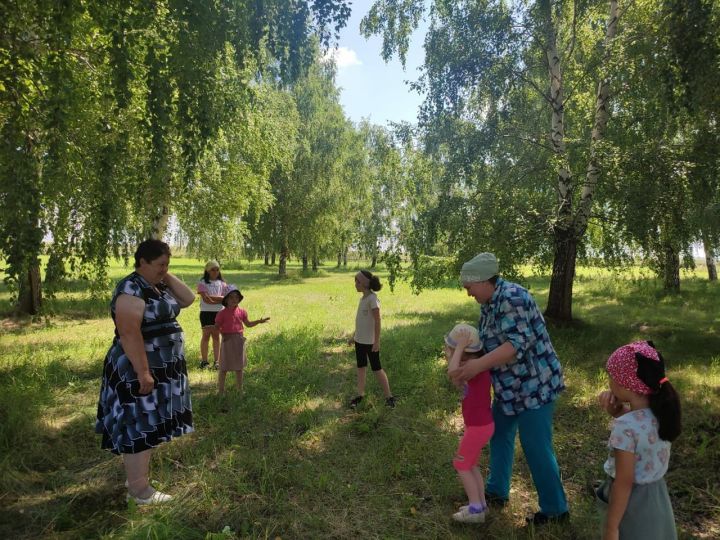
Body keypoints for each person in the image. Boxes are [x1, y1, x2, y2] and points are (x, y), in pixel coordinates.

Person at [452, 252, 568, 525]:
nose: (468, 293)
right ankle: (496, 491)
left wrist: (477, 365)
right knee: (500, 435)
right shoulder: (489, 303)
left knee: (535, 445)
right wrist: (462, 360)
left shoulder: (513, 298)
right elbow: (488, 344)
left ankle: (555, 510)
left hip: (535, 385)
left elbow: (515, 345)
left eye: (468, 287)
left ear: (482, 281)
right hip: (509, 388)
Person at [95, 239, 195, 505]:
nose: (165, 269)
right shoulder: (130, 288)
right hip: (138, 368)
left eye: (167, 264)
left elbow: (188, 298)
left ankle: (136, 481)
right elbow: (129, 333)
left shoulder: (157, 283)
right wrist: (143, 373)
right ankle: (139, 491)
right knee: (139, 425)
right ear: (142, 262)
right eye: (160, 264)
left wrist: (163, 273)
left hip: (162, 370)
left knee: (151, 425)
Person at [595, 341, 681, 540]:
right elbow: (642, 429)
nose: (609, 381)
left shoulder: (625, 427)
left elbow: (623, 483)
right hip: (657, 499)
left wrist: (611, 528)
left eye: (611, 376)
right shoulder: (662, 412)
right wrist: (618, 412)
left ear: (625, 384)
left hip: (631, 505)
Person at [444, 323, 494, 524]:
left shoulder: (475, 368)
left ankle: (475, 511)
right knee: (471, 464)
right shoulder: (472, 368)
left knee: (461, 463)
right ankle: (480, 505)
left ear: (463, 353)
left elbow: (452, 371)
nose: (447, 352)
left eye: (450, 349)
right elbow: (455, 377)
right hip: (480, 426)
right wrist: (458, 350)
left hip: (478, 427)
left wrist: (458, 347)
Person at [348, 270, 396, 409]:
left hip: (370, 343)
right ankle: (360, 395)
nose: (355, 284)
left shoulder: (372, 299)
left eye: (357, 281)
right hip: (359, 341)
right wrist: (354, 336)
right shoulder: (362, 299)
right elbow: (361, 322)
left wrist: (377, 341)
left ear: (364, 283)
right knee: (361, 368)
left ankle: (389, 397)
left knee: (377, 369)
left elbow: (377, 321)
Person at [213, 285, 270, 394]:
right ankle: (221, 390)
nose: (234, 299)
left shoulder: (242, 311)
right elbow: (217, 326)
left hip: (239, 340)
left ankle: (240, 389)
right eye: (231, 297)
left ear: (239, 299)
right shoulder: (221, 313)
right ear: (226, 300)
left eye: (236, 297)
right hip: (227, 340)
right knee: (224, 367)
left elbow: (248, 324)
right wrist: (221, 333)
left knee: (239, 367)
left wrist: (259, 321)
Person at [197, 260, 227, 369]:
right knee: (206, 336)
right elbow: (206, 300)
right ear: (207, 271)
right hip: (206, 313)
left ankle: (217, 361)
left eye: (217, 269)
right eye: (212, 270)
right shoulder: (202, 283)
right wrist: (220, 299)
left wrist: (212, 297)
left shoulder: (223, 284)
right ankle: (204, 362)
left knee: (216, 336)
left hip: (219, 313)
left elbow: (226, 299)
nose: (215, 272)